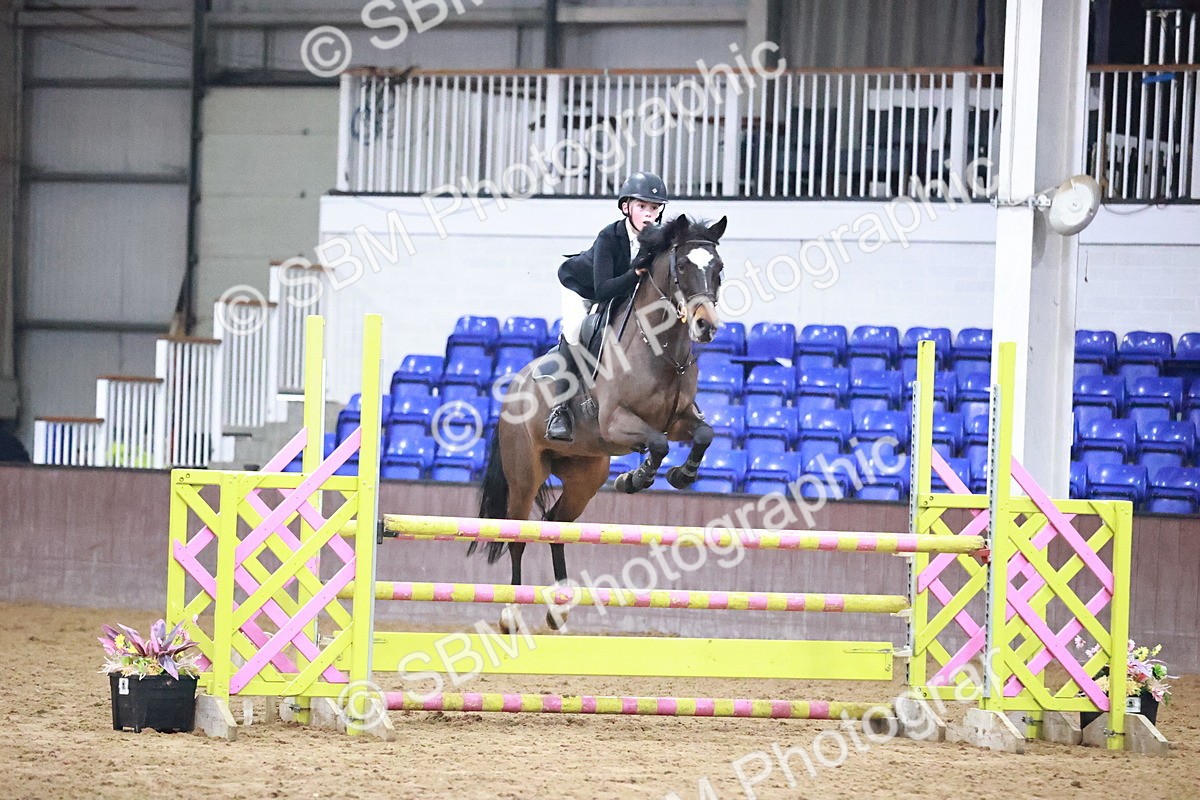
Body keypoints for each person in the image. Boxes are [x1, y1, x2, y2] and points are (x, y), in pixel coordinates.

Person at [547, 172, 667, 441]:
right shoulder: (609, 237)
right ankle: (559, 410)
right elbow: (603, 290)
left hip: (620, 291)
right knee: (576, 329)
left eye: (655, 208)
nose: (649, 214)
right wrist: (635, 273)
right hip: (582, 287)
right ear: (626, 207)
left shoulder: (659, 239)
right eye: (642, 207)